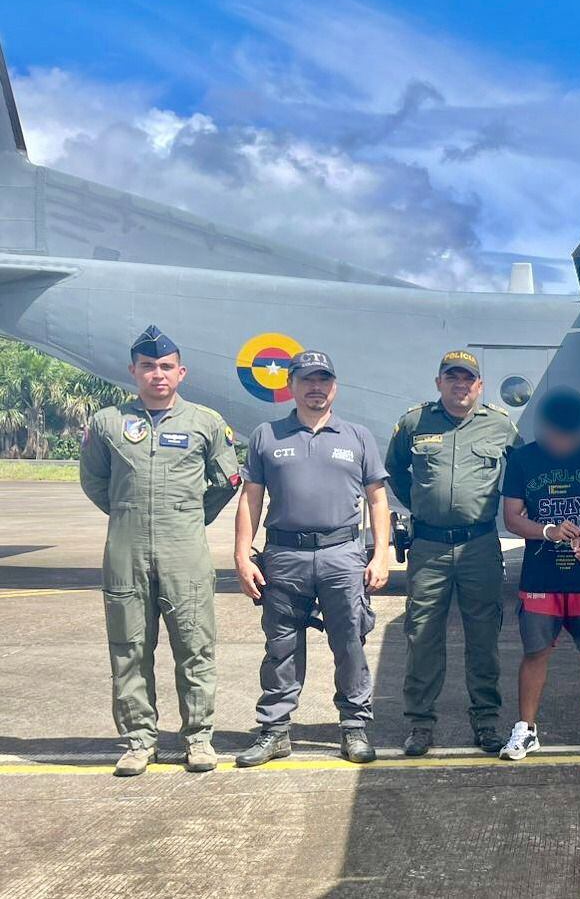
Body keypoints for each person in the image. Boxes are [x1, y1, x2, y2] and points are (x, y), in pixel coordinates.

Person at [78, 325, 241, 776]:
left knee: (195, 646)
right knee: (129, 647)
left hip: (184, 550)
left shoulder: (205, 423)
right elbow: (93, 480)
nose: (157, 374)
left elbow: (227, 481)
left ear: (181, 372)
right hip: (125, 550)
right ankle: (137, 741)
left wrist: (187, 515)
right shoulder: (108, 422)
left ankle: (199, 737)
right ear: (133, 371)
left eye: (166, 367)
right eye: (148, 367)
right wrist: (126, 512)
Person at [232, 351, 390, 767]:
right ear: (292, 385)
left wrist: (380, 556)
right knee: (281, 646)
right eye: (307, 379)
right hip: (284, 555)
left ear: (334, 386)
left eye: (323, 379)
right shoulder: (267, 435)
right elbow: (251, 499)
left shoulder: (357, 436)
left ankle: (354, 728)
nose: (315, 387)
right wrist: (242, 556)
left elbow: (378, 499)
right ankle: (275, 730)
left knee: (350, 643)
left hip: (342, 554)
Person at [386, 349, 521, 756]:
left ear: (479, 386)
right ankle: (420, 725)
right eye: (452, 377)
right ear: (439, 382)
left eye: (468, 379)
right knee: (423, 635)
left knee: (483, 637)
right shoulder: (415, 422)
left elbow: (522, 472)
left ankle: (486, 721)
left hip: (479, 544)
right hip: (428, 546)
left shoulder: (500, 427)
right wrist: (423, 506)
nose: (460, 385)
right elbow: (395, 471)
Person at [498, 388, 580, 760]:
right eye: (557, 433)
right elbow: (512, 517)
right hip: (541, 575)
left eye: (572, 434)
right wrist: (548, 531)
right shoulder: (523, 460)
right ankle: (526, 729)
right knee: (535, 651)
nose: (564, 441)